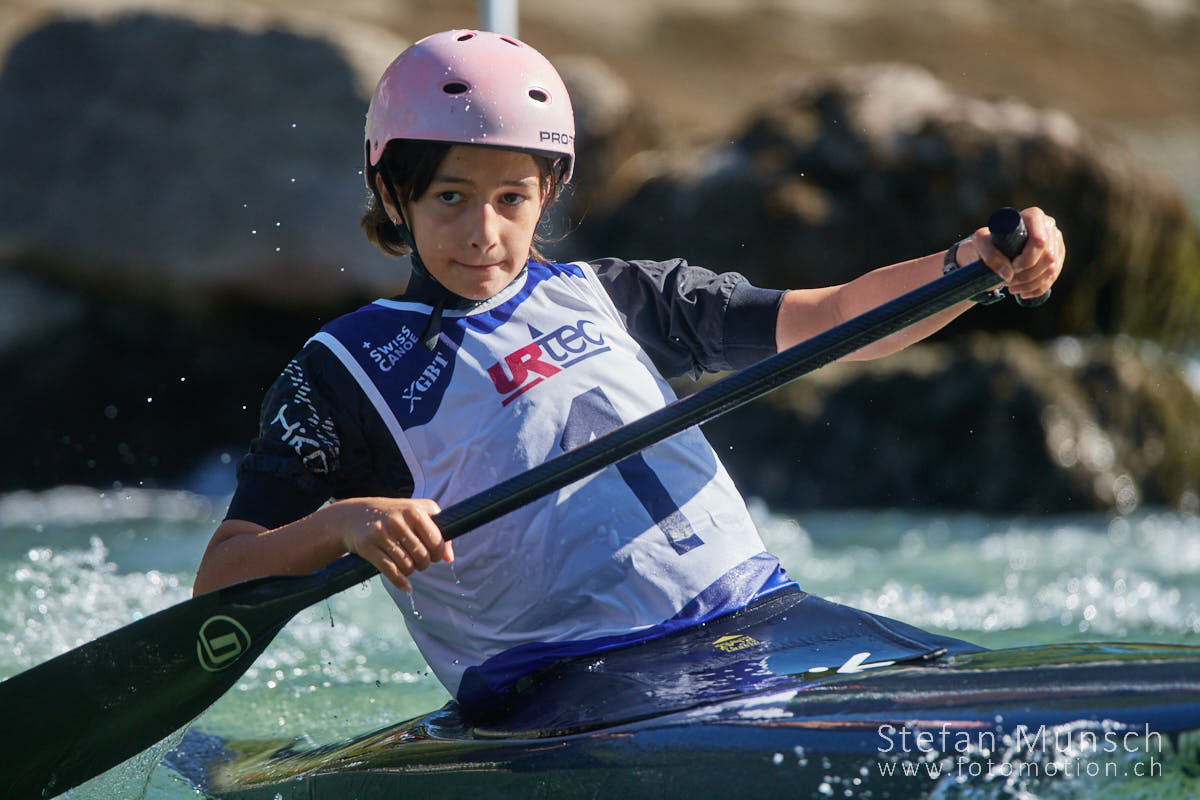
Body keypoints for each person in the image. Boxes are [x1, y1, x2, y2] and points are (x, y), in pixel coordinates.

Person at [193, 29, 1065, 711]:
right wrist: (341, 524)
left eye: (512, 199)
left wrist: (973, 263)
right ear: (393, 195)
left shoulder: (621, 297)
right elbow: (223, 578)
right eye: (450, 197)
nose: (483, 234)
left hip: (766, 621)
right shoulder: (342, 373)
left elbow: (837, 319)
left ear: (549, 193)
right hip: (565, 688)